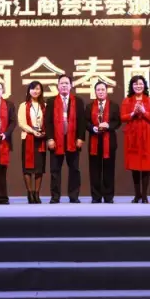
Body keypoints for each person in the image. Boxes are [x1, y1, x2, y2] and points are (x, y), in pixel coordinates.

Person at [44, 75, 86, 203]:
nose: (64, 85)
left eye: (66, 83)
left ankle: (74, 196)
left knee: (74, 170)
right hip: (56, 140)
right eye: (61, 83)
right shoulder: (51, 101)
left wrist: (80, 138)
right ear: (58, 86)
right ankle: (55, 196)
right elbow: (47, 122)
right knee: (55, 170)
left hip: (73, 140)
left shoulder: (78, 101)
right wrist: (50, 138)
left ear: (71, 86)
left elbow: (82, 121)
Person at [121, 75, 150, 203]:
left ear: (144, 85)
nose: (138, 86)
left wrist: (144, 111)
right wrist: (133, 113)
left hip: (146, 135)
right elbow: (122, 117)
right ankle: (137, 195)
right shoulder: (127, 100)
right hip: (132, 135)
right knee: (134, 165)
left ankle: (145, 196)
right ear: (131, 86)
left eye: (140, 84)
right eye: (135, 84)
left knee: (146, 164)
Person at [85, 81, 121, 203]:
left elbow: (117, 122)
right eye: (98, 90)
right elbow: (86, 122)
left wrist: (108, 125)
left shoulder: (114, 106)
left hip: (109, 141)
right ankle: (96, 196)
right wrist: (93, 128)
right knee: (94, 170)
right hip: (94, 141)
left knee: (109, 169)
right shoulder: (89, 106)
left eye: (102, 90)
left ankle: (108, 197)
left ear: (106, 91)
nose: (100, 92)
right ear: (95, 92)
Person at [17, 81, 47, 204]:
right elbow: (21, 123)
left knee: (39, 168)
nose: (35, 91)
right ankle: (30, 193)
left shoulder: (44, 105)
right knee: (27, 168)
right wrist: (33, 131)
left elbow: (47, 122)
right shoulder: (23, 105)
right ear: (29, 91)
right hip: (28, 138)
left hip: (40, 139)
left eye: (38, 89)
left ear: (41, 91)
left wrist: (43, 132)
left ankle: (37, 193)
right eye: (33, 89)